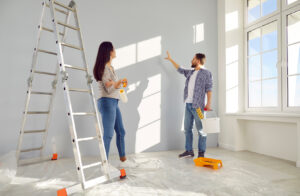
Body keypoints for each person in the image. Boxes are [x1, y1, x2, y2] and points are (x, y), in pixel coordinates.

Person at [165, 51, 213, 158]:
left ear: (198, 60)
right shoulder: (191, 72)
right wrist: (170, 59)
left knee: (201, 130)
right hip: (188, 105)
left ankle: (201, 153)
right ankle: (189, 150)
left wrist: (208, 103)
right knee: (187, 129)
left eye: (193, 58)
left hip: (199, 107)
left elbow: (209, 89)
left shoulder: (207, 73)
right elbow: (180, 69)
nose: (191, 60)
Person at [93, 41, 128, 162]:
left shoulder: (110, 68)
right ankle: (104, 163)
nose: (115, 50)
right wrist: (117, 83)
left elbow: (113, 85)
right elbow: (108, 89)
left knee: (121, 131)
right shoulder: (104, 68)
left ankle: (123, 159)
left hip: (114, 102)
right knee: (108, 135)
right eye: (113, 48)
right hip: (107, 102)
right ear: (109, 52)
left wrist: (120, 83)